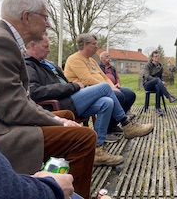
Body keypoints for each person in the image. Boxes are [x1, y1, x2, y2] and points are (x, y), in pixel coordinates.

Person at [0, 0, 96, 199]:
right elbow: (12, 108)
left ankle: (54, 174)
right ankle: (69, 193)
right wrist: (58, 122)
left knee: (67, 117)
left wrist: (59, 119)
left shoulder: (3, 38)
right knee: (84, 137)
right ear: (27, 17)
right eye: (45, 17)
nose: (48, 24)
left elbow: (17, 99)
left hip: (3, 121)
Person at [25, 33, 152, 166]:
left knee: (106, 102)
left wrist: (73, 87)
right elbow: (34, 92)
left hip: (71, 97)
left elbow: (67, 82)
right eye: (46, 46)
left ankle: (98, 150)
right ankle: (127, 124)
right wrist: (72, 87)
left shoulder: (47, 64)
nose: (49, 50)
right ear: (33, 45)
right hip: (61, 104)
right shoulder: (29, 65)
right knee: (104, 88)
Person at [64, 34, 138, 134]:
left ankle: (112, 126)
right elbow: (87, 79)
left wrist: (112, 86)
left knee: (129, 94)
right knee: (119, 96)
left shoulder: (92, 60)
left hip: (103, 88)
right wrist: (108, 88)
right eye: (94, 44)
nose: (96, 46)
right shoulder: (75, 59)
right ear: (85, 44)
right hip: (87, 92)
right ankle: (112, 128)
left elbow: (104, 77)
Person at [0, 135, 74, 199]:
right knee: (84, 137)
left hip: (17, 126)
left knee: (67, 114)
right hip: (7, 133)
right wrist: (52, 188)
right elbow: (4, 190)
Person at [99, 50, 137, 134]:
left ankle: (114, 124)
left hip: (114, 86)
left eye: (109, 56)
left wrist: (117, 84)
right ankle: (108, 127)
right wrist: (111, 87)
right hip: (105, 88)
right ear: (101, 58)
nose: (109, 58)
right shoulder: (98, 67)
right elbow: (100, 79)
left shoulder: (112, 68)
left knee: (130, 94)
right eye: (107, 57)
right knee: (120, 96)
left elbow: (117, 77)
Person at [142, 51, 177, 116]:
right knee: (157, 80)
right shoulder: (147, 65)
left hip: (156, 83)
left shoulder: (160, 66)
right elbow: (147, 76)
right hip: (147, 84)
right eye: (156, 56)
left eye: (158, 56)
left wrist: (162, 83)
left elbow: (160, 78)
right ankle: (169, 96)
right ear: (152, 58)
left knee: (158, 87)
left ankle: (158, 108)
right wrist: (159, 80)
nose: (157, 58)